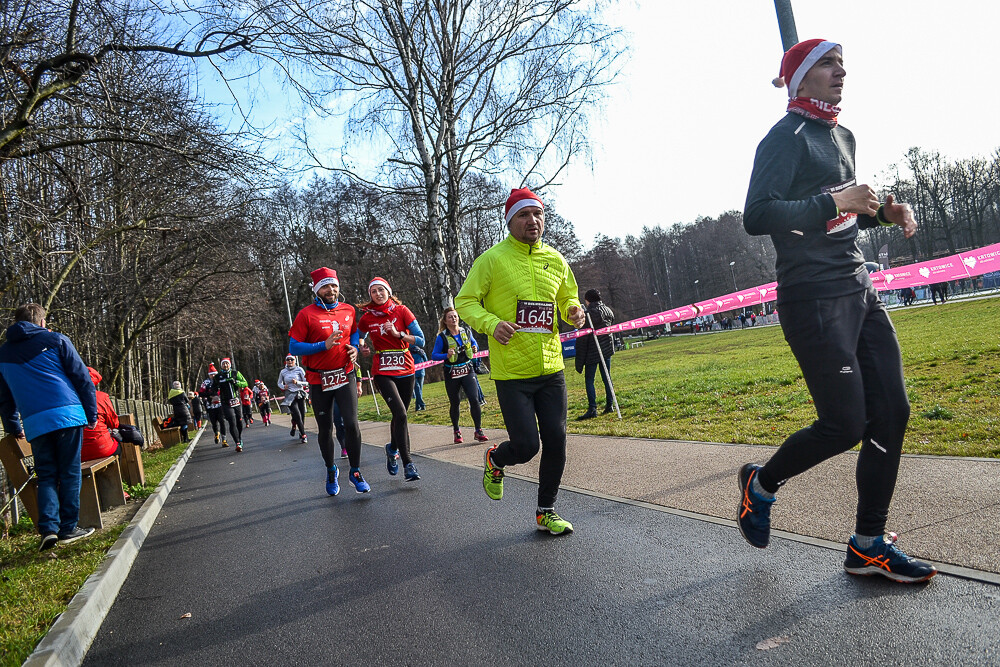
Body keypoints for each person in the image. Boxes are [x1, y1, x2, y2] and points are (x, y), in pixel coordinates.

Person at [739, 39, 935, 583]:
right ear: (800, 78)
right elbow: (758, 214)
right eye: (828, 63)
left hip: (858, 287)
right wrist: (837, 201)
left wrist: (882, 213)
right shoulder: (785, 137)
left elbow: (843, 214)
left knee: (892, 412)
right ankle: (761, 485)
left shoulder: (843, 135)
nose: (840, 72)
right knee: (845, 423)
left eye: (842, 64)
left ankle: (868, 543)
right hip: (813, 297)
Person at [456, 187, 586, 535]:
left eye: (538, 214)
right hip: (512, 371)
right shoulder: (492, 260)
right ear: (510, 222)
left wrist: (573, 310)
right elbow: (465, 302)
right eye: (524, 215)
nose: (533, 221)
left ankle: (547, 511)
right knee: (528, 445)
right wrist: (492, 324)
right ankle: (497, 459)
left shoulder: (556, 260)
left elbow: (567, 297)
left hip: (550, 366)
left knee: (556, 440)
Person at [0, 303, 98, 550]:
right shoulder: (57, 340)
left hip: (35, 421)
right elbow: (82, 378)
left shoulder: (3, 354)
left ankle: (48, 530)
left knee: (46, 476)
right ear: (42, 322)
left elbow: (4, 398)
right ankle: (68, 528)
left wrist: (13, 426)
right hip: (68, 414)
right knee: (69, 471)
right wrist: (91, 413)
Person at [288, 267, 368, 495]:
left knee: (352, 424)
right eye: (325, 286)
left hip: (345, 373)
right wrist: (321, 346)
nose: (331, 290)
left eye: (333, 285)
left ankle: (355, 471)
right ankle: (331, 469)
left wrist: (354, 346)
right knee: (325, 429)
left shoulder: (348, 309)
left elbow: (354, 332)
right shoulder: (306, 315)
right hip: (318, 379)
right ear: (317, 290)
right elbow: (294, 346)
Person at [358, 277, 425, 481]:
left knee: (400, 417)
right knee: (401, 414)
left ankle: (392, 448)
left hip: (405, 368)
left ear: (389, 291)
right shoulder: (367, 317)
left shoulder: (402, 311)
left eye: (381, 290)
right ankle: (408, 463)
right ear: (370, 295)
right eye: (374, 292)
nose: (378, 294)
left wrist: (399, 335)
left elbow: (421, 339)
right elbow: (358, 335)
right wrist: (363, 345)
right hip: (383, 370)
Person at [431, 307, 488, 444]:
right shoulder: (442, 337)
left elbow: (474, 343)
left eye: (455, 316)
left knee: (474, 399)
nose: (454, 319)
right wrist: (446, 355)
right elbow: (434, 355)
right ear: (445, 321)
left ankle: (478, 430)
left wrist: (475, 348)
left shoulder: (466, 331)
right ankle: (457, 431)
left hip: (467, 370)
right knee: (455, 402)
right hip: (452, 373)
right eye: (450, 317)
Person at [574, 288, 615, 419]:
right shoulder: (607, 310)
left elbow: (582, 332)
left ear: (588, 300)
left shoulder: (589, 313)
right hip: (606, 348)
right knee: (607, 378)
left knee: (589, 380)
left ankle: (592, 408)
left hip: (592, 350)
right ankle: (610, 404)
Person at [82, 367, 121, 461]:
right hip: (102, 448)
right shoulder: (101, 397)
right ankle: (118, 475)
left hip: (77, 453)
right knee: (118, 446)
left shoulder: (68, 399)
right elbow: (114, 423)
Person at [211, 358, 247, 452]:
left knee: (239, 422)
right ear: (221, 366)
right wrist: (215, 395)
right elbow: (213, 388)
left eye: (227, 364)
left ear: (230, 365)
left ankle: (239, 438)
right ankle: (237, 443)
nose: (225, 366)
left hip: (236, 401)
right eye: (223, 364)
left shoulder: (236, 373)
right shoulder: (218, 376)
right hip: (225, 402)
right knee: (232, 421)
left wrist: (236, 382)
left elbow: (245, 383)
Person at [278, 354, 308, 443]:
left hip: (299, 393)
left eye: (291, 360)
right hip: (290, 395)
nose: (290, 361)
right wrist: (284, 386)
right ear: (286, 361)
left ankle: (294, 425)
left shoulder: (299, 370)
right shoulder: (283, 372)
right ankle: (303, 435)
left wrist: (298, 382)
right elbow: (279, 383)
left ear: (295, 361)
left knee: (302, 415)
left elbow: (307, 382)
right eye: (288, 360)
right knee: (297, 414)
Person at [198, 364, 227, 446]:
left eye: (214, 374)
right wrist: (209, 395)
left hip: (220, 405)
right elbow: (200, 393)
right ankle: (216, 434)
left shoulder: (220, 380)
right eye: (211, 374)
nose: (213, 376)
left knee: (222, 421)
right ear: (209, 375)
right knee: (214, 423)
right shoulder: (205, 383)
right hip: (210, 406)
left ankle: (224, 439)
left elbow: (225, 390)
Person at [410, 342, 428, 411]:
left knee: (418, 390)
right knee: (419, 390)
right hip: (421, 373)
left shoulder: (409, 353)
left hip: (413, 373)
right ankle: (421, 405)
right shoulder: (421, 352)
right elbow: (426, 361)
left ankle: (419, 406)